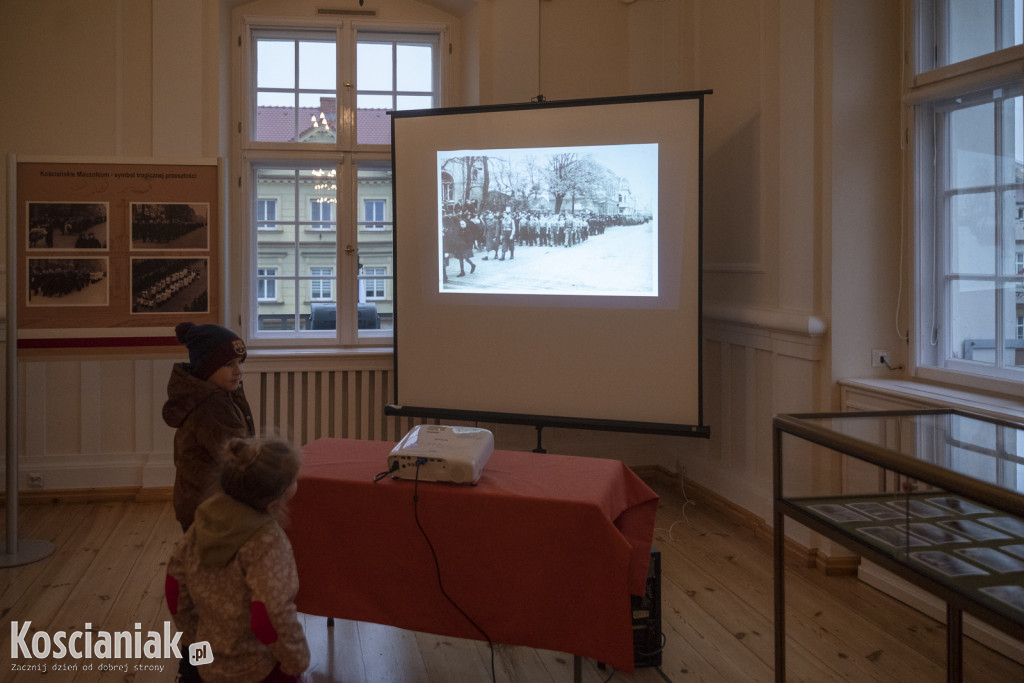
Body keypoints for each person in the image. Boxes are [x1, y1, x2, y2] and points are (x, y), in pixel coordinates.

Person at [166, 436, 310, 683]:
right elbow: (270, 612)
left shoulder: (203, 523)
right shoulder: (268, 540)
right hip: (258, 669)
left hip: (208, 663)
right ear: (275, 500)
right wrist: (296, 660)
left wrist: (194, 639)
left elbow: (174, 587)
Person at [163, 322, 255, 532]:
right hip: (211, 508)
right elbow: (237, 457)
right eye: (228, 364)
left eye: (240, 363)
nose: (238, 371)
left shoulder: (218, 395)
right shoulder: (212, 405)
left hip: (201, 504)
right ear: (206, 367)